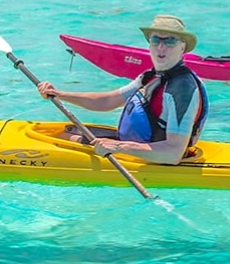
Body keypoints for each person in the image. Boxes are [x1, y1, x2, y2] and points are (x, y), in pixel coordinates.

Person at [37, 14, 208, 165]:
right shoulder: (151, 77)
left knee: (64, 139)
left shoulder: (183, 89)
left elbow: (173, 154)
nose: (161, 47)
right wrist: (60, 94)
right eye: (156, 40)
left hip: (156, 160)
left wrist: (119, 147)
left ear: (183, 47)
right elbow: (108, 101)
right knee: (63, 133)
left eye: (169, 41)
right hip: (133, 148)